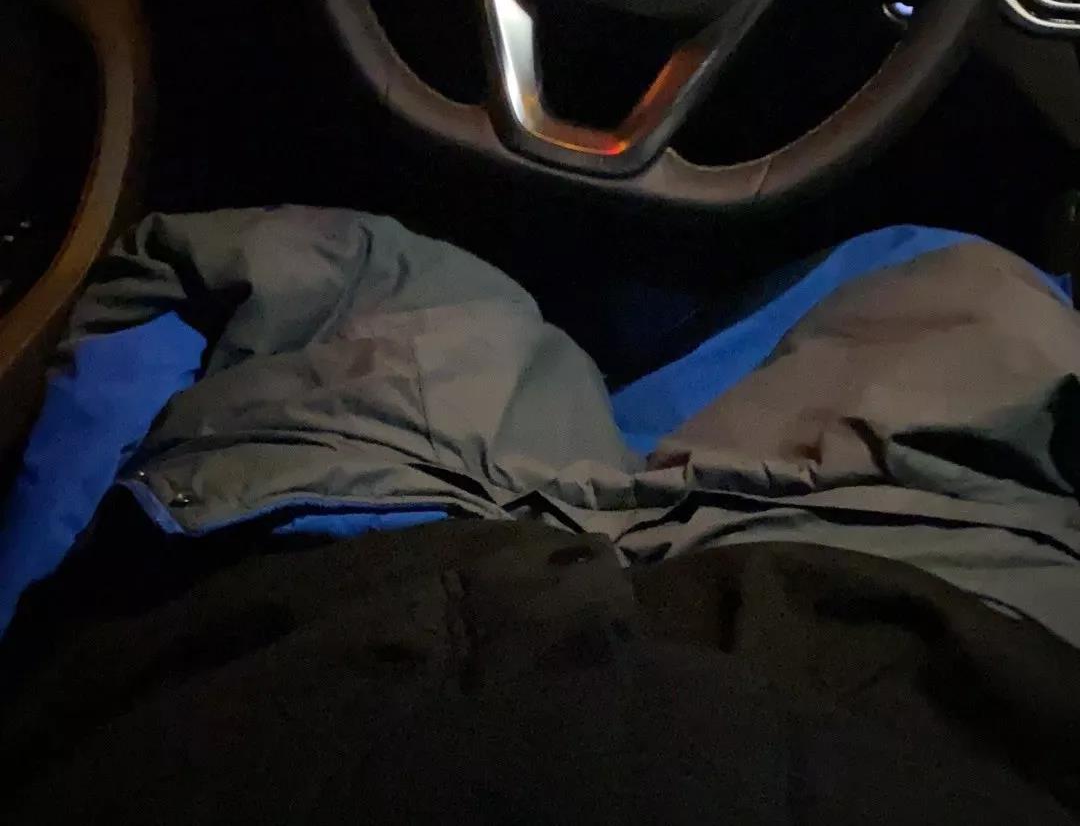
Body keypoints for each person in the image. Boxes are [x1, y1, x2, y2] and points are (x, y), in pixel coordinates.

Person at [3, 206, 1080, 823]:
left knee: (353, 263)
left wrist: (40, 642)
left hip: (356, 570)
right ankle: (639, 423)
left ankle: (626, 424)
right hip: (925, 612)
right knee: (965, 280)